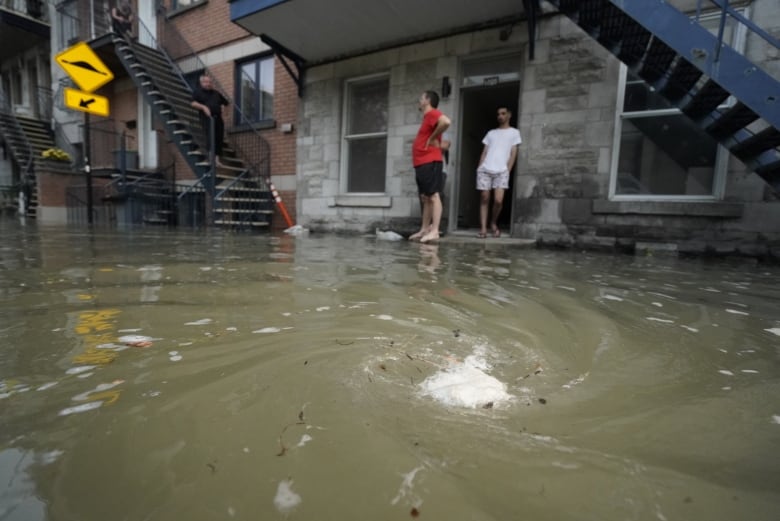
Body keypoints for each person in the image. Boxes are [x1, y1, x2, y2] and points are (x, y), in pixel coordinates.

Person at [409, 91, 450, 243]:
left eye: (421, 98)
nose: (419, 100)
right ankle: (424, 229)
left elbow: (445, 122)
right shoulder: (427, 118)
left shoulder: (433, 113)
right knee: (426, 197)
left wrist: (432, 138)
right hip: (421, 162)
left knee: (434, 195)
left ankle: (434, 231)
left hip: (430, 160)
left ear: (427, 100)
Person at [476, 106, 521, 238]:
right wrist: (479, 168)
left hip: (502, 171)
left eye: (503, 113)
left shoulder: (514, 132)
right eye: (498, 114)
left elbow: (513, 153)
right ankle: (483, 229)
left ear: (509, 115)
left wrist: (508, 170)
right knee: (484, 198)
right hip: (485, 169)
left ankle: (493, 222)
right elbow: (484, 152)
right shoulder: (491, 133)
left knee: (498, 200)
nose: (500, 116)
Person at [191, 75, 229, 163]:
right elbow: (193, 103)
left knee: (219, 137)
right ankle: (210, 158)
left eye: (210, 82)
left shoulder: (216, 93)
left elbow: (226, 103)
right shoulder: (198, 92)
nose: (209, 84)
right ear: (202, 83)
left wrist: (225, 111)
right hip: (207, 118)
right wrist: (204, 107)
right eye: (206, 82)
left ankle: (217, 160)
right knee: (210, 136)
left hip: (218, 118)